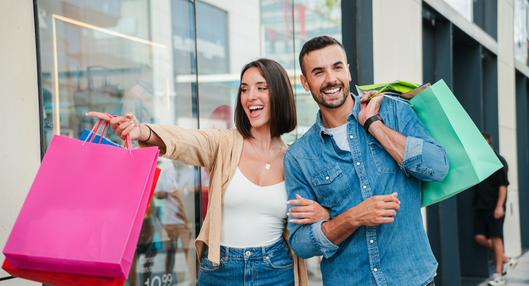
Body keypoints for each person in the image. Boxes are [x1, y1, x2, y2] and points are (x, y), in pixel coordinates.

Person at [88, 58, 330, 286]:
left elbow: (319, 212)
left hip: (275, 269)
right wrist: (140, 130)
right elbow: (184, 140)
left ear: (279, 94)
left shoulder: (294, 158)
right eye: (244, 89)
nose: (250, 97)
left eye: (261, 87)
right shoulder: (223, 143)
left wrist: (323, 213)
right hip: (221, 269)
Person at [284, 35, 449, 285]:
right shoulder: (299, 156)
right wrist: (353, 217)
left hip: (412, 278)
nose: (331, 79)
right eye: (318, 72)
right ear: (305, 83)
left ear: (348, 72)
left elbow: (438, 168)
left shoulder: (393, 111)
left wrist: (374, 125)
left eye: (337, 67)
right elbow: (302, 243)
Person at [473, 132, 516, 286]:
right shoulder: (479, 162)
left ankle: (499, 275)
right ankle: (505, 258)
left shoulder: (498, 161)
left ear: (489, 144)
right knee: (478, 237)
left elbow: (503, 187)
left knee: (497, 239)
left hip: (494, 208)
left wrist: (499, 207)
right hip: (481, 207)